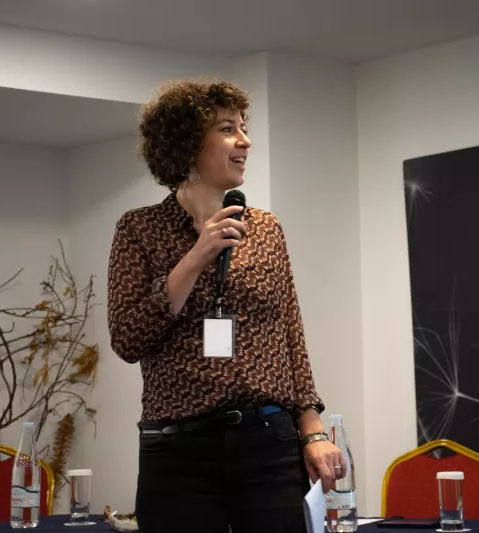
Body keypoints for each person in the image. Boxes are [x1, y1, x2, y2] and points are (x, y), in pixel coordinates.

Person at [106, 79, 346, 533]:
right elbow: (127, 338)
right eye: (227, 129)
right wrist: (196, 255)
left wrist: (312, 429)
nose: (245, 141)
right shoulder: (139, 229)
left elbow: (290, 335)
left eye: (243, 128)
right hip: (178, 451)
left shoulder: (266, 228)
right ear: (188, 143)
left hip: (269, 445)